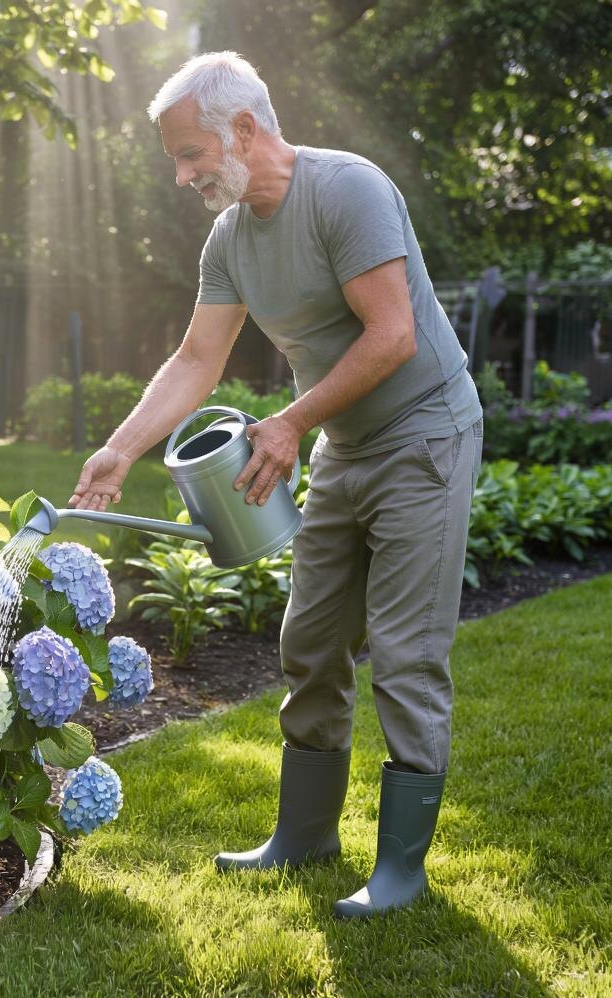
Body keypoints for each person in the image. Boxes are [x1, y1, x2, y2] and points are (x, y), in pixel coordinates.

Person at [69, 51, 483, 919]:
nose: (184, 176)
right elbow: (196, 358)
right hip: (341, 443)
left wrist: (292, 423)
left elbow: (394, 334)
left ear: (244, 130)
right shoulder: (231, 239)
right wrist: (119, 449)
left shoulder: (347, 192)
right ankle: (306, 835)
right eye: (178, 159)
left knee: (406, 656)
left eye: (191, 155)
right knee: (310, 641)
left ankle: (401, 871)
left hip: (425, 437)